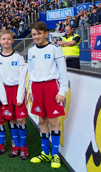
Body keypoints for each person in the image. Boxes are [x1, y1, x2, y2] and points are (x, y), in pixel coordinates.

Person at [28, 21, 68, 169]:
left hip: (51, 87)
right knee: (42, 120)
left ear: (46, 33)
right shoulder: (31, 51)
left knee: (53, 122)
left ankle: (55, 154)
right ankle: (45, 152)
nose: (36, 36)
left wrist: (62, 91)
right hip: (37, 88)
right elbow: (31, 73)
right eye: (33, 34)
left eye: (39, 33)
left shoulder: (55, 48)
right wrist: (31, 91)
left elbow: (63, 71)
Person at [0, 30, 29, 159]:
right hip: (5, 91)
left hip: (17, 90)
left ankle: (23, 147)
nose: (6, 41)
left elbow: (22, 78)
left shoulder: (18, 56)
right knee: (12, 119)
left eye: (9, 39)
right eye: (4, 39)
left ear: (12, 40)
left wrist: (20, 96)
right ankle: (16, 146)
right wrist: (3, 98)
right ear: (0, 41)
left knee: (20, 119)